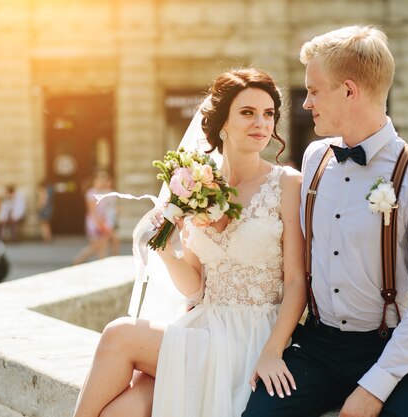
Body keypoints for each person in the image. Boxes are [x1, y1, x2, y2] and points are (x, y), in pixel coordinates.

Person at [242, 26, 408, 417]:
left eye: (313, 90)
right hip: (317, 349)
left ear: (348, 90)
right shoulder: (314, 158)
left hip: (392, 352)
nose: (306, 103)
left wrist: (373, 390)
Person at [72, 68, 306, 417]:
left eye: (268, 114)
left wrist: (272, 350)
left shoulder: (287, 183)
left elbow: (296, 282)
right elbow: (196, 287)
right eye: (248, 112)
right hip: (205, 326)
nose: (262, 123)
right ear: (222, 123)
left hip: (254, 336)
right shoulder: (197, 185)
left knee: (119, 333)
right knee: (125, 409)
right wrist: (166, 253)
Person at [73, 171, 114, 264]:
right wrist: (100, 224)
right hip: (94, 222)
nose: (102, 181)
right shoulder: (90, 193)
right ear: (95, 180)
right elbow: (92, 212)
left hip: (103, 221)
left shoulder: (103, 192)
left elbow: (107, 207)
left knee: (104, 244)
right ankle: (79, 259)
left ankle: (102, 264)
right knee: (95, 246)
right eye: (99, 179)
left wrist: (105, 222)